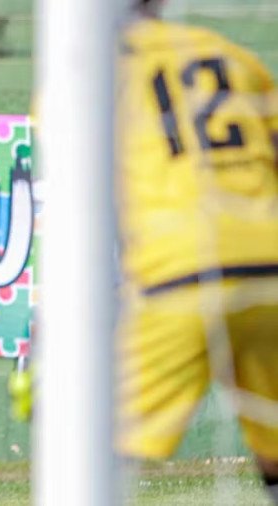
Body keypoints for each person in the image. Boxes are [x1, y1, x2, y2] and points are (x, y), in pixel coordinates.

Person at [117, 0, 278, 500]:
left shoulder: (85, 70)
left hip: (179, 267)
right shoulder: (232, 56)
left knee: (91, 441)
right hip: (271, 262)